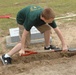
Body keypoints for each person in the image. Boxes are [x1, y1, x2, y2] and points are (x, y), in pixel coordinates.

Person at [0, 5, 68, 65]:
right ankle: (6, 56)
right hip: (22, 20)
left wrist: (64, 44)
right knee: (25, 43)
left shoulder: (48, 16)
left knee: (47, 29)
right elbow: (24, 35)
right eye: (50, 21)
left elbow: (57, 30)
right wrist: (23, 49)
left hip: (35, 18)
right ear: (43, 18)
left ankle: (47, 47)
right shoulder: (31, 19)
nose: (51, 22)